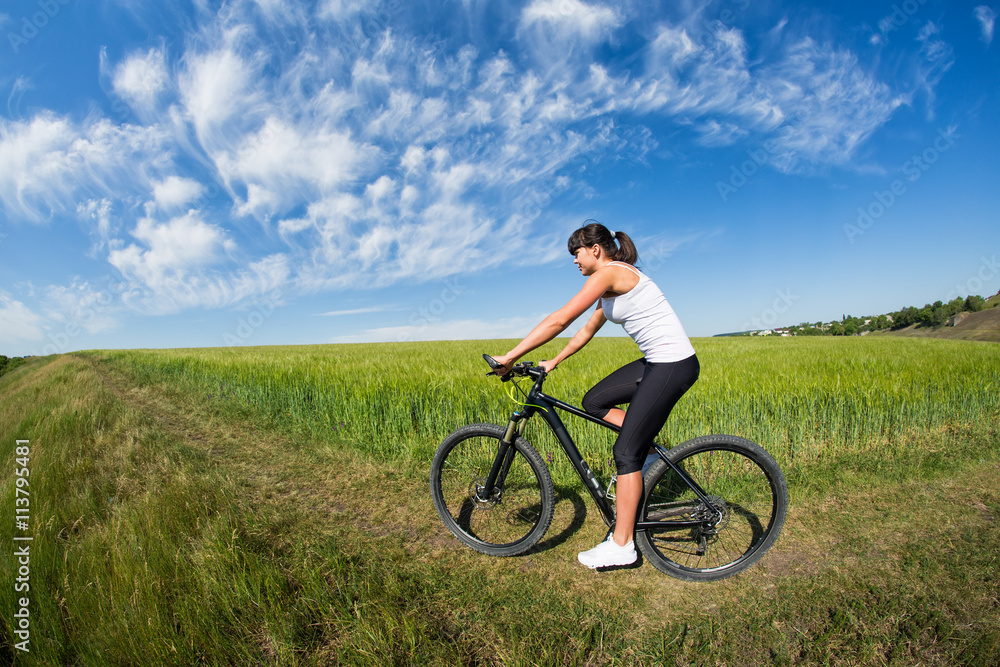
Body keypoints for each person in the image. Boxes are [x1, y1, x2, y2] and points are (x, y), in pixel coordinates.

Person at [490, 221, 699, 569]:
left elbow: (561, 320)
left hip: (673, 366)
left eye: (577, 253)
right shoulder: (611, 285)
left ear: (595, 250)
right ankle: (645, 448)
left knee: (624, 453)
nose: (575, 261)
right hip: (656, 362)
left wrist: (510, 356)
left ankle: (622, 545)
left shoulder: (609, 273)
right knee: (595, 402)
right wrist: (553, 361)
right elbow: (586, 328)